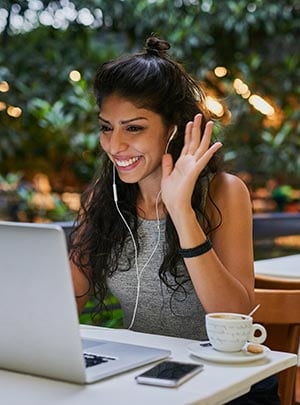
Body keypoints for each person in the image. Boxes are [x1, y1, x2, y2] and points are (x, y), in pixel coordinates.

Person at [69, 36, 279, 404]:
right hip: (149, 380)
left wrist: (181, 210)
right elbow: (67, 300)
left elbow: (235, 313)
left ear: (171, 130)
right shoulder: (104, 200)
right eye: (106, 127)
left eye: (133, 128)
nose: (115, 145)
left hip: (228, 387)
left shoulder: (223, 193)